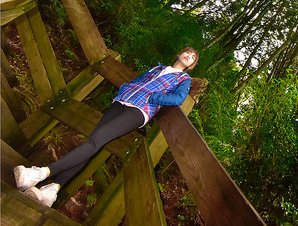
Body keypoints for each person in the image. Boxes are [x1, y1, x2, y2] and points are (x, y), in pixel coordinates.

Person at [14, 47, 199, 207]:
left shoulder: (184, 79)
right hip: (121, 102)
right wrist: (126, 87)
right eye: (187, 52)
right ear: (180, 53)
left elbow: (178, 99)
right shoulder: (158, 68)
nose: (189, 56)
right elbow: (139, 80)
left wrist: (154, 98)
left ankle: (40, 173)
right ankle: (52, 191)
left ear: (191, 65)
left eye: (192, 57)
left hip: (139, 111)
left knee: (95, 141)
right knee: (93, 144)